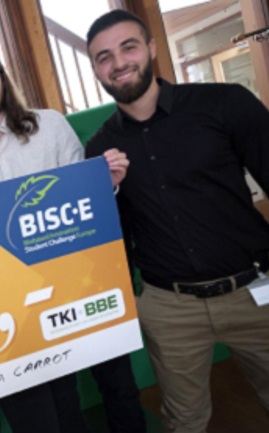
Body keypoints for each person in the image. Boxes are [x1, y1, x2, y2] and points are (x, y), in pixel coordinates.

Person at [86, 10, 269, 433]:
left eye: (128, 47)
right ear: (96, 69)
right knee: (184, 422)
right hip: (169, 308)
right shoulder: (100, 149)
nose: (118, 62)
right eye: (104, 57)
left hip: (254, 289)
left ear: (151, 48)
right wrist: (107, 190)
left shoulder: (224, 103)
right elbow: (107, 238)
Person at [0, 45, 137, 433]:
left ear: (2, 80)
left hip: (80, 281)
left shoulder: (50, 125)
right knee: (60, 405)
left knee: (117, 384)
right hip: (17, 303)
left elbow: (86, 194)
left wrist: (108, 183)